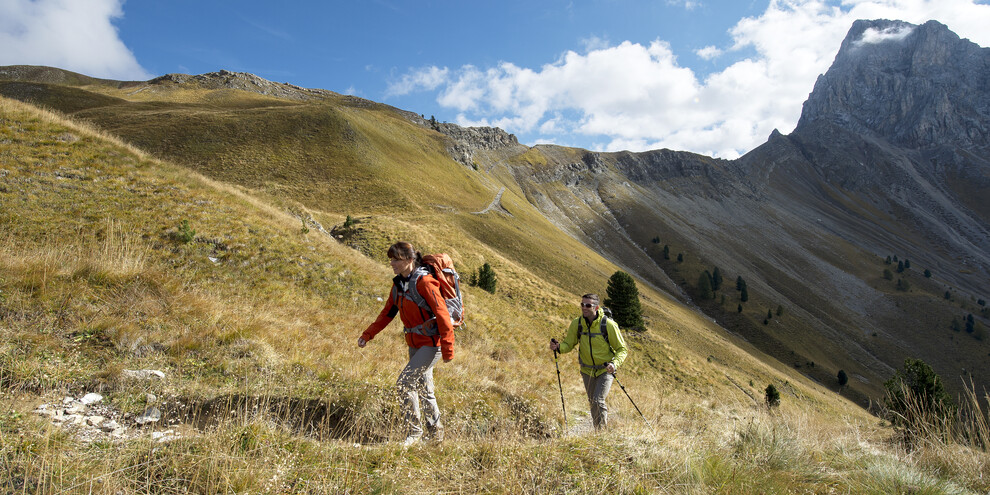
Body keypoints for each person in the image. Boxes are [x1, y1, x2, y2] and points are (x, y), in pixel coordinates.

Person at [358, 241, 455, 446]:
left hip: (431, 344)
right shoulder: (398, 285)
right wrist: (367, 335)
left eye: (396, 259)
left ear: (410, 260)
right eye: (391, 259)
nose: (392, 263)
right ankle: (436, 436)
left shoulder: (425, 283)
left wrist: (448, 350)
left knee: (404, 384)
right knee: (425, 389)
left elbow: (442, 315)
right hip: (414, 344)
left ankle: (414, 432)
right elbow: (387, 314)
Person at [549, 293, 627, 430]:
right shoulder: (577, 323)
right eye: (582, 304)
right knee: (593, 402)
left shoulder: (608, 325)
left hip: (605, 370)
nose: (584, 308)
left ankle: (602, 435)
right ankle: (598, 431)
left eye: (588, 305)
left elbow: (622, 349)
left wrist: (614, 364)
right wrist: (559, 347)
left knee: (598, 400)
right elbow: (569, 344)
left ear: (596, 307)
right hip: (587, 370)